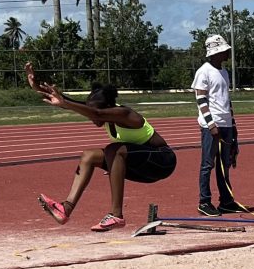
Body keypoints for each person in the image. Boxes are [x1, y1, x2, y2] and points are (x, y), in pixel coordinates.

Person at [28, 62, 177, 232]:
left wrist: (67, 104)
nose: (92, 119)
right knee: (89, 156)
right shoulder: (101, 113)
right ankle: (66, 208)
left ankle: (116, 214)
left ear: (108, 108)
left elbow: (96, 113)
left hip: (163, 161)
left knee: (113, 149)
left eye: (94, 113)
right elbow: (69, 101)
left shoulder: (125, 114)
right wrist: (37, 86)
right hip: (141, 165)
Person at [193, 34, 240, 217]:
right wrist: (211, 124)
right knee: (207, 164)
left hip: (226, 123)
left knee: (224, 164)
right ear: (215, 52)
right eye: (224, 50)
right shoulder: (203, 71)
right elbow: (201, 99)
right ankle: (204, 201)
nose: (228, 52)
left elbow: (227, 101)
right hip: (211, 126)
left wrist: (233, 124)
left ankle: (226, 200)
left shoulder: (224, 72)